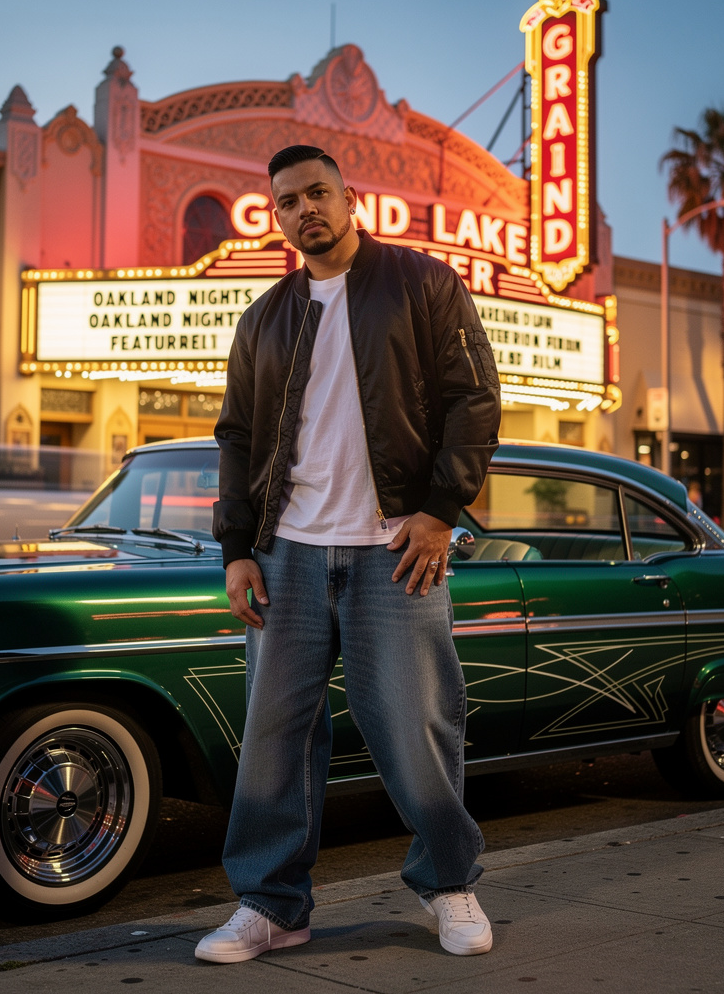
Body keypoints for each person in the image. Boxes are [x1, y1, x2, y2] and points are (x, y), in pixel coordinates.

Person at [197, 145, 502, 964]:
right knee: (275, 738)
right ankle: (270, 906)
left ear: (351, 197)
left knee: (417, 728)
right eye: (287, 201)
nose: (305, 210)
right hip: (287, 553)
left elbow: (476, 396)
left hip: (393, 551)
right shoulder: (263, 317)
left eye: (318, 193)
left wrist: (442, 511)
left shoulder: (422, 283)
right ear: (278, 215)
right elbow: (235, 438)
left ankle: (449, 884)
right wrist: (236, 548)